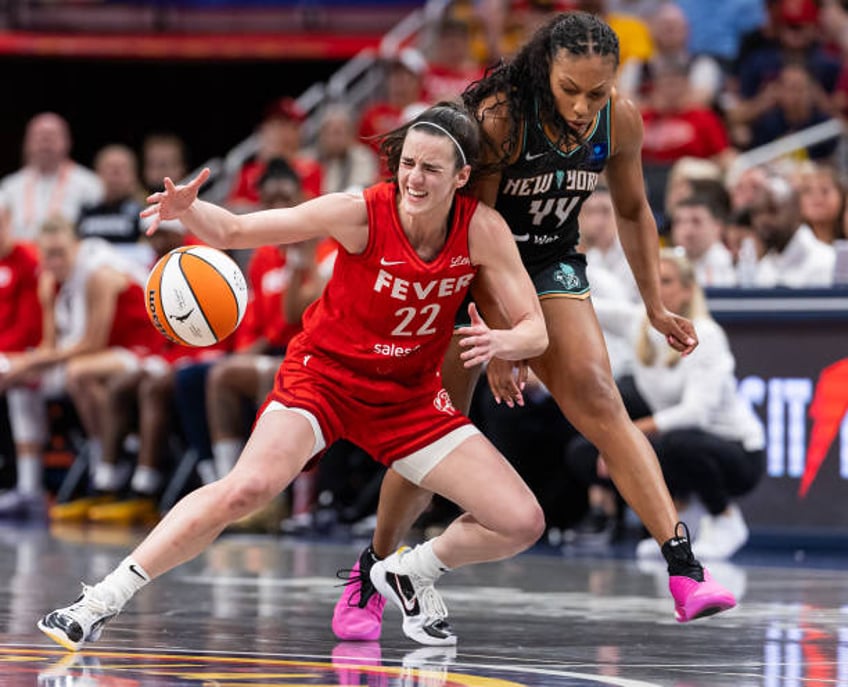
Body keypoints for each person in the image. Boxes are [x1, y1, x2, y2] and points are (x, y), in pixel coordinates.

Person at [37, 102, 550, 651]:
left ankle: (409, 572)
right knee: (247, 488)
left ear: (462, 176)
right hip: (324, 379)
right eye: (407, 164)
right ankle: (99, 602)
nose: (414, 179)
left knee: (521, 521)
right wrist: (192, 211)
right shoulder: (358, 212)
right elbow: (236, 229)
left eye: (430, 169)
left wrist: (505, 342)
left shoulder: (482, 229)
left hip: (409, 396)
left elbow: (535, 330)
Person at [332, 11, 737, 644]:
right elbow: (479, 235)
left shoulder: (618, 119)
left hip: (547, 262)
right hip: (467, 270)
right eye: (569, 88)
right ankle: (374, 567)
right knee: (432, 432)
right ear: (544, 69)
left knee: (602, 402)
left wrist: (654, 304)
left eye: (595, 92)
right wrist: (501, 342)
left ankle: (684, 569)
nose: (582, 105)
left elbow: (632, 211)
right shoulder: (500, 117)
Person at [568, 249, 766, 561]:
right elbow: (586, 305)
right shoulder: (639, 323)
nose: (657, 289)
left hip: (738, 453)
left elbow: (695, 414)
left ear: (688, 290)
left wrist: (631, 433)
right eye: (651, 281)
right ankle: (684, 524)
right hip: (677, 440)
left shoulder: (708, 334)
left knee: (672, 442)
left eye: (667, 281)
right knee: (585, 451)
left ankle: (725, 519)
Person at [0, 216, 161, 519]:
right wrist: (22, 366)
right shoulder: (51, 280)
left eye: (60, 253)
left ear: (75, 246)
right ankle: (29, 486)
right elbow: (51, 345)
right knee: (22, 381)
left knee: (78, 372)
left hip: (143, 351)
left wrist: (30, 361)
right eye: (47, 254)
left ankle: (116, 456)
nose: (54, 261)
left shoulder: (97, 273)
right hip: (101, 356)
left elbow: (91, 343)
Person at [0, 112, 103, 242]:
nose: (45, 144)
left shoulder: (90, 184)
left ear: (68, 142)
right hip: (21, 255)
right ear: (26, 143)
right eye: (39, 137)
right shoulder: (9, 186)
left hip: (70, 255)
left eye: (51, 137)